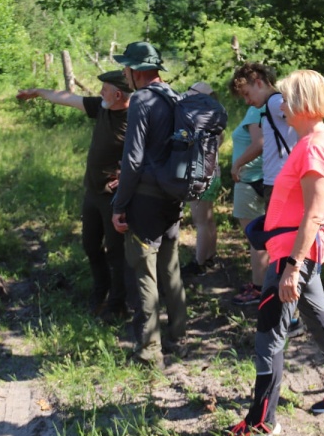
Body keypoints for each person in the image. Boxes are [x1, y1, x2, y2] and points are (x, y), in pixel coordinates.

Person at [225, 70, 324, 436]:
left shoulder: (315, 145)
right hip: (294, 249)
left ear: (302, 103)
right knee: (318, 319)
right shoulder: (312, 141)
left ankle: (261, 421)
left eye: (285, 99)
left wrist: (292, 267)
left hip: (294, 254)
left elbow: (314, 213)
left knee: (269, 334)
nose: (280, 105)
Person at [16, 71, 132, 320]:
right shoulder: (101, 107)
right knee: (90, 245)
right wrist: (38, 92)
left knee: (116, 252)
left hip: (114, 197)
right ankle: (100, 291)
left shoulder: (134, 119)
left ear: (118, 94)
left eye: (105, 88)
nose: (100, 92)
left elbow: (147, 156)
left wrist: (126, 179)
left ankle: (118, 304)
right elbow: (68, 98)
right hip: (92, 192)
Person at [111, 41, 187, 370]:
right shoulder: (176, 97)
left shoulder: (141, 100)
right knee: (171, 267)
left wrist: (119, 203)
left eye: (126, 68)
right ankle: (178, 337)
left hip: (146, 200)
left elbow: (133, 159)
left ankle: (148, 352)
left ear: (135, 71)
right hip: (173, 196)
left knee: (145, 271)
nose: (124, 73)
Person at [229, 63, 303, 337]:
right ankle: (289, 312)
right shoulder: (271, 105)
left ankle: (289, 316)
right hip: (277, 182)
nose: (248, 101)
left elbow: (304, 125)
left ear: (258, 81)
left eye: (248, 93)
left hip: (282, 184)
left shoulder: (274, 102)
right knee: (279, 248)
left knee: (281, 250)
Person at [227, 104, 269, 301]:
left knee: (256, 238)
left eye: (245, 92)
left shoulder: (255, 110)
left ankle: (260, 288)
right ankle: (263, 283)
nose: (244, 98)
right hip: (266, 178)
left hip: (249, 179)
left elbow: (258, 143)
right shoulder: (277, 108)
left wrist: (237, 164)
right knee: (264, 236)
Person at [181, 82, 222, 278]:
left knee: (201, 222)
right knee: (207, 219)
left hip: (200, 175)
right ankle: (210, 256)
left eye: (191, 91)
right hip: (212, 173)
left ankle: (199, 263)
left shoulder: (199, 120)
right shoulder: (215, 118)